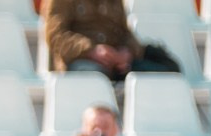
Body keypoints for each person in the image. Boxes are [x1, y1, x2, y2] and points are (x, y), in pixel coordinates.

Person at [43, 0, 180, 78]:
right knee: (96, 77)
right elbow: (55, 36)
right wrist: (91, 50)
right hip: (81, 60)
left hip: (117, 62)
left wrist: (126, 53)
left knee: (168, 70)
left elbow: (125, 32)